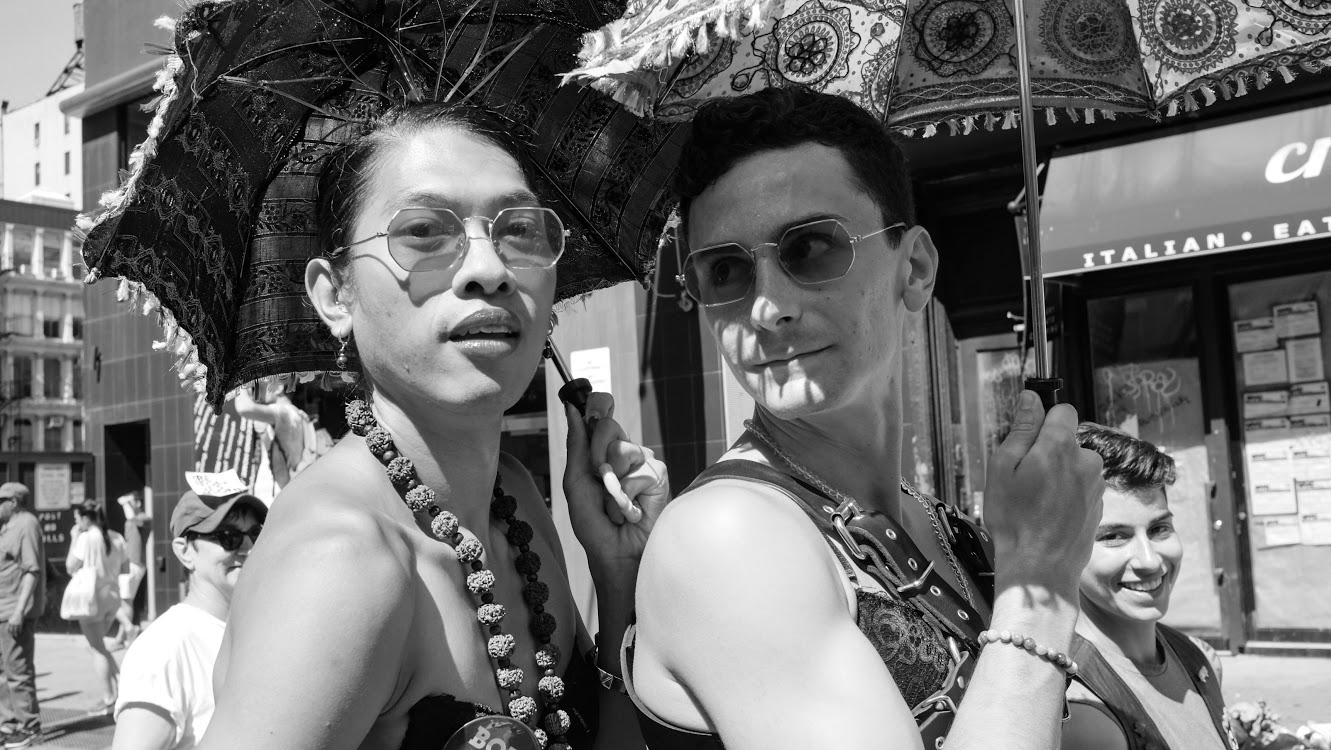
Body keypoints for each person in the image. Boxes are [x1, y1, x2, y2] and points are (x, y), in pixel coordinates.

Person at [623, 87, 1106, 749]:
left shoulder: (942, 527)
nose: (767, 308)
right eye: (725, 270)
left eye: (811, 248)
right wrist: (1039, 581)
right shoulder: (728, 538)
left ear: (915, 269)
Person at [198, 102, 669, 750]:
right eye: (423, 232)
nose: (490, 269)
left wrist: (618, 573)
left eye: (519, 230)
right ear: (335, 295)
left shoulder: (515, 501)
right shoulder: (339, 564)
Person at [1062, 423, 1236, 750]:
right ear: (1063, 548)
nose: (1150, 560)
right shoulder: (1081, 708)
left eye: (1159, 529)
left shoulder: (1199, 660)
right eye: (1114, 536)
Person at [112, 488, 266, 750]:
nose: (248, 548)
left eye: (256, 534)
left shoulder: (262, 629)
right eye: (228, 537)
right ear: (185, 552)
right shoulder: (164, 648)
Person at [67, 501, 128, 716]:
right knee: (99, 646)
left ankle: (109, 698)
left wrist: (74, 538)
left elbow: (70, 566)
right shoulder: (117, 537)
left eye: (77, 518)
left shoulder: (85, 538)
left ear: (85, 518)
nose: (76, 523)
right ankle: (123, 690)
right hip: (112, 596)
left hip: (92, 598)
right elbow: (125, 568)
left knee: (96, 648)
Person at [0, 483, 45, 749]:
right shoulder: (8, 527)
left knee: (18, 672)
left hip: (13, 611)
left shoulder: (26, 524)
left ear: (14, 502)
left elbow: (32, 570)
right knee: (4, 671)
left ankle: (29, 727)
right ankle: (9, 723)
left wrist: (19, 611)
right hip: (4, 610)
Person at [115, 491, 152, 646]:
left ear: (138, 503)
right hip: (131, 563)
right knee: (125, 601)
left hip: (134, 564)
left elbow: (132, 517)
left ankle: (127, 634)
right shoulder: (133, 521)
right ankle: (122, 637)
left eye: (130, 503)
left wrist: (126, 502)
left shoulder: (144, 518)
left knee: (125, 601)